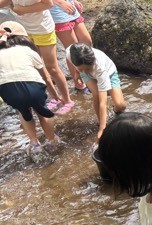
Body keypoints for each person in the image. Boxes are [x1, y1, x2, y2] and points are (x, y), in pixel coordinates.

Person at [0, 0, 74, 114]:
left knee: (52, 68)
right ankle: (55, 98)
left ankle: (67, 100)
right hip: (24, 31)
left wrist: (21, 10)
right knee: (37, 66)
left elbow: (48, 4)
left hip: (43, 29)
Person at [0, 21, 59, 156]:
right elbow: (46, 77)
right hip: (33, 87)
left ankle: (34, 143)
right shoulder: (28, 51)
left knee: (23, 113)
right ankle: (52, 141)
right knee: (42, 112)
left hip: (7, 91)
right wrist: (55, 95)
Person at [66, 42, 126, 140]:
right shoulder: (70, 52)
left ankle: (113, 113)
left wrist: (102, 130)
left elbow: (103, 102)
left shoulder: (100, 68)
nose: (85, 71)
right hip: (89, 74)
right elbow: (72, 62)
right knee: (96, 94)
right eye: (81, 69)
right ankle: (101, 122)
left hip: (109, 72)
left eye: (87, 69)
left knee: (121, 106)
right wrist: (77, 73)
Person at [50, 0, 93, 93]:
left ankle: (88, 77)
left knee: (87, 41)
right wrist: (61, 2)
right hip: (56, 12)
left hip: (70, 8)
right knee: (72, 49)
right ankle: (79, 84)